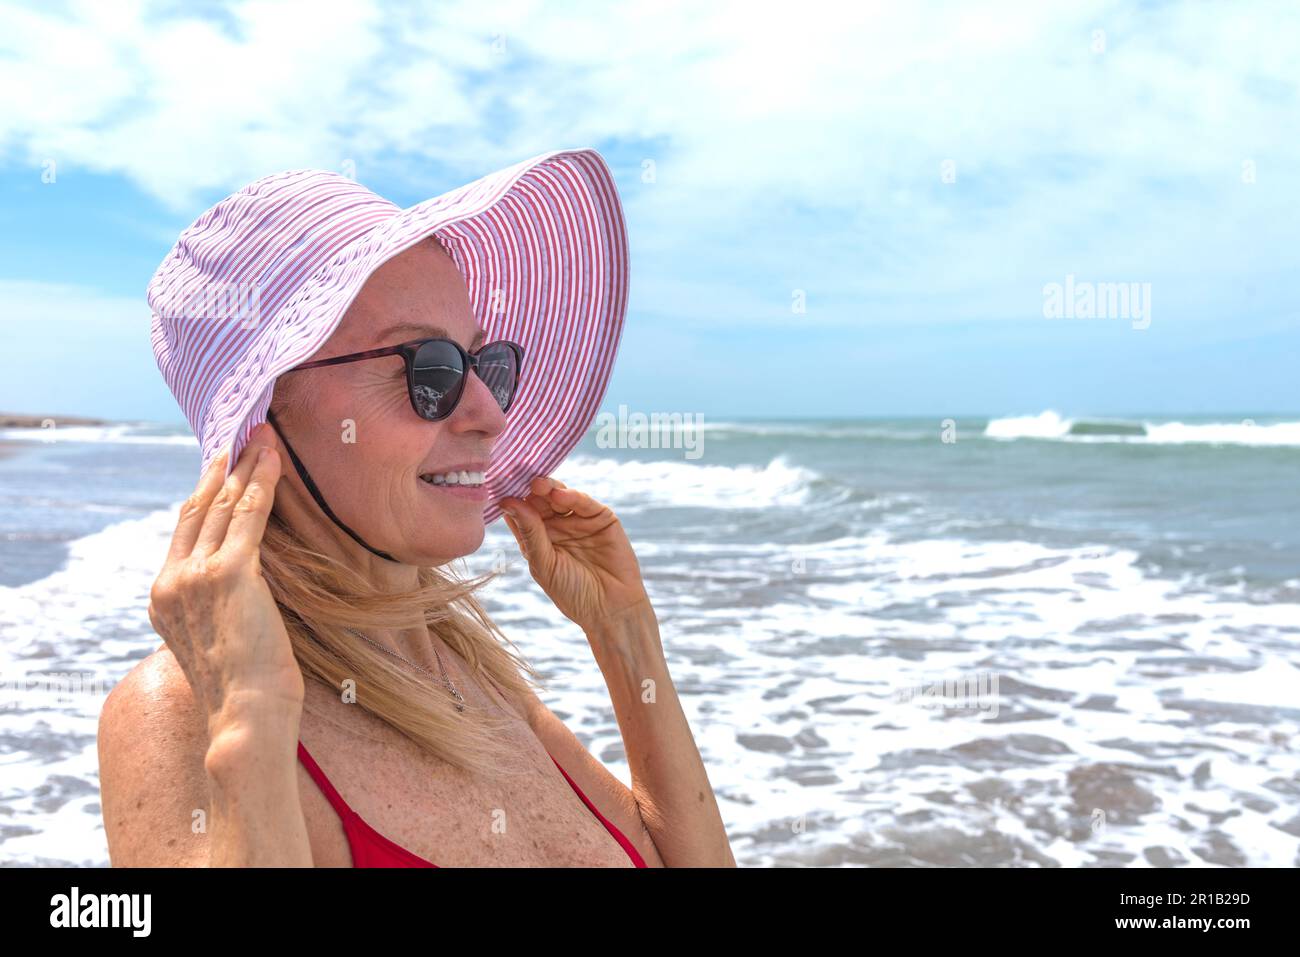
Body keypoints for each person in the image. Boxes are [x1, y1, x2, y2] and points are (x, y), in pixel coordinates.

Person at [97, 150, 735, 867]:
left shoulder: (467, 672)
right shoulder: (182, 711)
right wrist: (250, 722)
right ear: (266, 419)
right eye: (429, 369)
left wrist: (625, 634)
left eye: (486, 365)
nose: (490, 412)